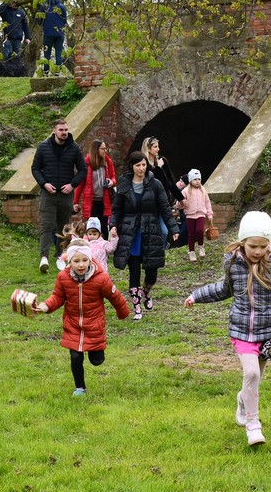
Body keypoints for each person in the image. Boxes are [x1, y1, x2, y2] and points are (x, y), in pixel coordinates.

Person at [184, 211, 271, 447]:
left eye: (263, 246)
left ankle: (243, 399)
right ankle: (253, 425)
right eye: (253, 246)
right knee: (252, 374)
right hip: (242, 330)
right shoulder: (233, 264)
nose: (258, 251)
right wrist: (196, 295)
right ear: (242, 243)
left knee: (255, 380)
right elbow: (223, 289)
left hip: (268, 333)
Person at [35, 238, 130, 396]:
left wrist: (123, 312)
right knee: (75, 356)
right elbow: (57, 297)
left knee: (96, 361)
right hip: (72, 324)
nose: (81, 265)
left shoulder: (101, 278)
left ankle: (96, 354)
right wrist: (45, 306)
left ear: (90, 260)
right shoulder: (63, 278)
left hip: (94, 324)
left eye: (85, 260)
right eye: (76, 261)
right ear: (70, 261)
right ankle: (80, 387)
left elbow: (115, 296)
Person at [110, 151, 179, 320]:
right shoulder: (125, 185)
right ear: (131, 167)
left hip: (151, 232)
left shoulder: (155, 184)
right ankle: (137, 308)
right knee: (134, 272)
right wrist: (113, 226)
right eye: (137, 165)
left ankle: (146, 292)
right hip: (131, 233)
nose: (141, 168)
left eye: (143, 165)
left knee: (152, 273)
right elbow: (117, 209)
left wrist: (173, 229)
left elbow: (164, 208)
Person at [31, 118, 87, 273]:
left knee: (63, 227)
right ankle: (44, 257)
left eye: (66, 130)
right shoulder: (43, 147)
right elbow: (35, 168)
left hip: (65, 194)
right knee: (47, 225)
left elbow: (83, 169)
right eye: (61, 130)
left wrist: (72, 185)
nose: (64, 133)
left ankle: (60, 257)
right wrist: (44, 184)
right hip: (48, 194)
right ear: (54, 130)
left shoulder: (74, 148)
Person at [73, 139, 117, 232]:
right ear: (96, 150)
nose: (105, 151)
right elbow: (80, 185)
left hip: (104, 200)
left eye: (105, 149)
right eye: (102, 149)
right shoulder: (86, 164)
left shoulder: (108, 162)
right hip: (91, 201)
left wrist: (111, 182)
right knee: (93, 228)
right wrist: (75, 202)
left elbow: (113, 177)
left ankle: (103, 245)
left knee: (104, 228)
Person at [181, 169, 214, 262]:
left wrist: (209, 214)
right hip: (190, 215)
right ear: (190, 180)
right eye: (195, 179)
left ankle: (201, 246)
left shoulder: (203, 190)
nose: (197, 181)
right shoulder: (185, 191)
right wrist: (181, 203)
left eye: (199, 179)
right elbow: (179, 203)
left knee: (199, 230)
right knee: (191, 234)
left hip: (201, 214)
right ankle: (191, 252)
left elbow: (207, 202)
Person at [40, 0, 68, 75]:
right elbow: (64, 20)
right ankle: (57, 71)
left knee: (46, 53)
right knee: (58, 53)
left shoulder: (44, 6)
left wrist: (44, 25)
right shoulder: (62, 7)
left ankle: (46, 71)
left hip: (48, 33)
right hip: (59, 33)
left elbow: (39, 19)